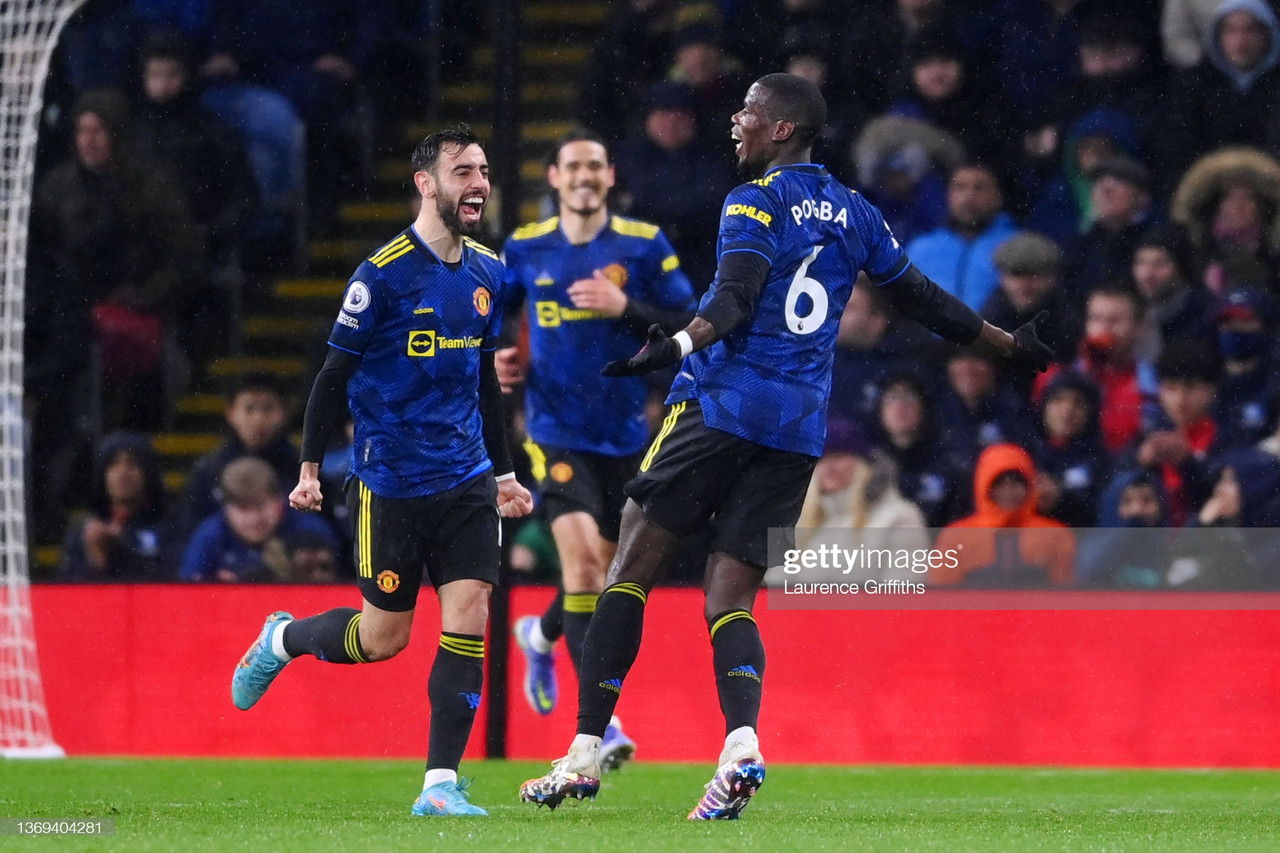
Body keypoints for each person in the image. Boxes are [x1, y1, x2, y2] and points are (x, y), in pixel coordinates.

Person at [518, 73, 1052, 819]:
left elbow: (733, 298)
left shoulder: (753, 201)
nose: (734, 123)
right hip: (798, 426)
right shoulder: (857, 211)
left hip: (721, 402)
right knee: (731, 595)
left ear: (780, 129)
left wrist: (674, 342)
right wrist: (1006, 343)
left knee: (630, 567)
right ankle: (741, 743)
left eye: (747, 113)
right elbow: (921, 297)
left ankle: (581, 752)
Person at [228, 126, 533, 818]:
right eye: (463, 172)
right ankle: (281, 638)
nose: (478, 183)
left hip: (466, 480)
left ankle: (439, 785)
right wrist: (308, 467)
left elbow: (484, 382)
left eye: (483, 170)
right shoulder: (382, 273)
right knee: (381, 639)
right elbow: (333, 374)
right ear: (426, 182)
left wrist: (505, 472)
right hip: (390, 484)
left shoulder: (489, 272)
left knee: (469, 617)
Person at [498, 130, 695, 768]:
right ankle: (600, 729)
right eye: (572, 166)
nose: (583, 175)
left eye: (594, 165)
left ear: (609, 175)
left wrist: (626, 307)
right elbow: (487, 321)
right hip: (554, 432)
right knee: (584, 570)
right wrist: (497, 361)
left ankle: (543, 633)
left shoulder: (642, 244)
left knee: (608, 576)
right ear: (553, 178)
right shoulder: (526, 247)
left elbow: (692, 323)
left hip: (627, 436)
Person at [931, 443, 1076, 587]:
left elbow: (1064, 595)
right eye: (999, 483)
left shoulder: (1055, 535)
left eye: (1016, 483)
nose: (1009, 491)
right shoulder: (956, 537)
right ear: (983, 485)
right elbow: (942, 598)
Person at [180, 457, 341, 582]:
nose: (253, 518)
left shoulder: (310, 531)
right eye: (244, 509)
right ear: (226, 509)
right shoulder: (209, 536)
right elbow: (190, 585)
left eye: (259, 507)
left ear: (279, 501)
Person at [58, 431, 174, 581]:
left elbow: (173, 582)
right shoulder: (82, 531)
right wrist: (96, 559)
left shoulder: (170, 525)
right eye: (113, 464)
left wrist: (121, 550)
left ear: (148, 472)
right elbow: (65, 590)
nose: (123, 472)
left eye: (132, 463)